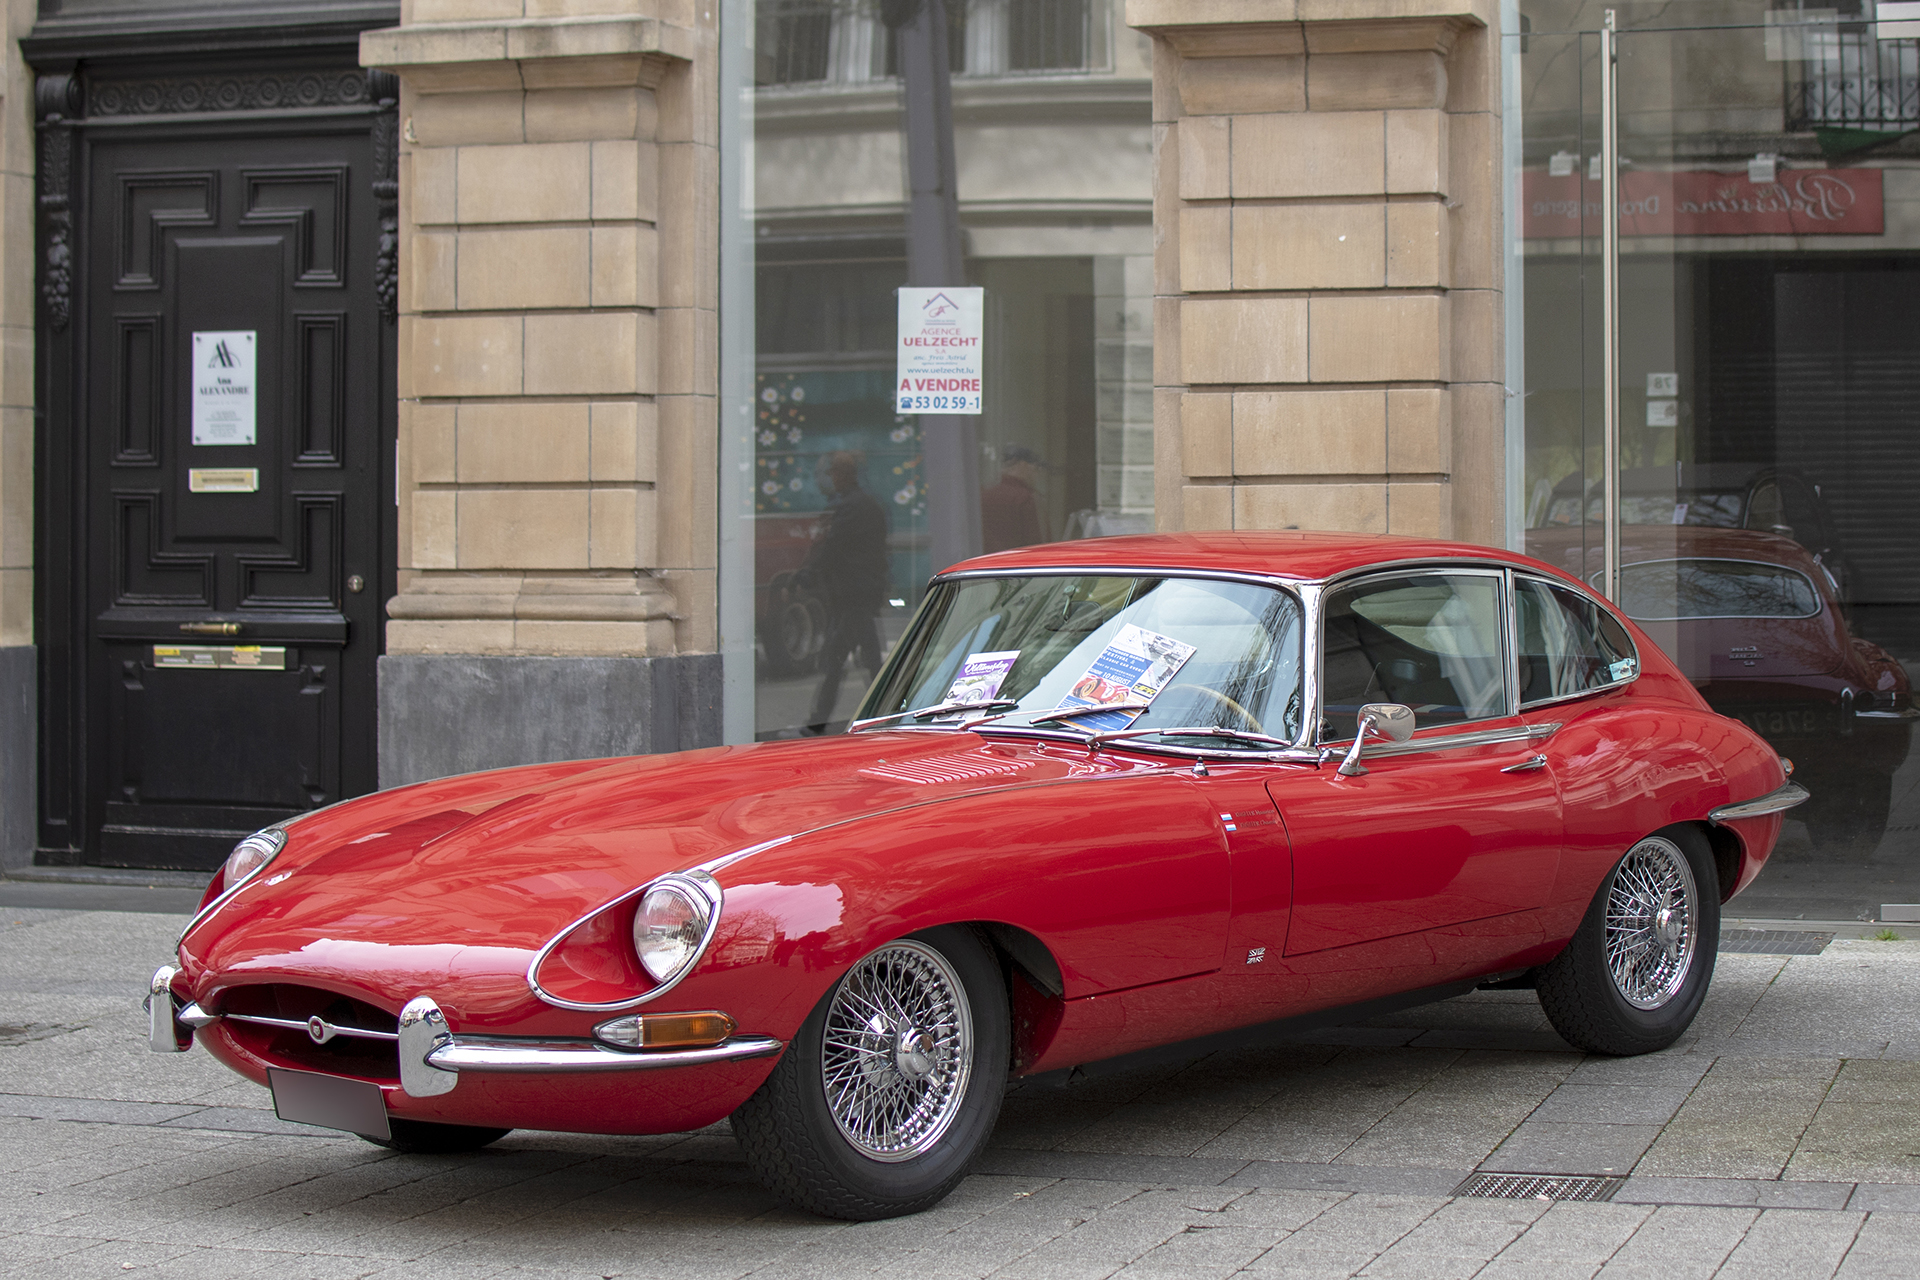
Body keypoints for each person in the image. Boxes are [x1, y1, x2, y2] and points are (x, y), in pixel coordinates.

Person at [802, 450, 891, 733]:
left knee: (836, 659)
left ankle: (818, 721)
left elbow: (833, 547)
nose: (830, 479)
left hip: (853, 594)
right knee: (868, 659)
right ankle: (886, 713)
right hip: (861, 592)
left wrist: (807, 573)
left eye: (832, 474)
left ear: (842, 474)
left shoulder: (852, 507)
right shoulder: (865, 504)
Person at [980, 445, 1047, 553]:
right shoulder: (1024, 498)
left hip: (984, 560)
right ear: (1022, 465)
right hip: (1017, 560)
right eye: (1035, 468)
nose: (1036, 474)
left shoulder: (983, 494)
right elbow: (1035, 543)